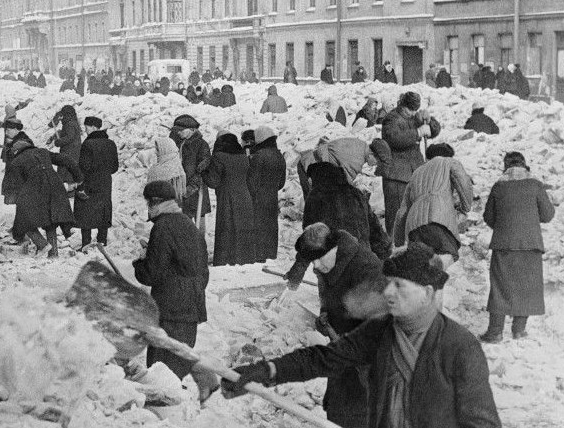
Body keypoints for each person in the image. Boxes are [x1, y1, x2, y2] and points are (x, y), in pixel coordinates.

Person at [210, 242, 501, 428]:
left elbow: (482, 423)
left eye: (399, 285)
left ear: (426, 292)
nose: (387, 292)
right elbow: (323, 359)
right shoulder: (381, 331)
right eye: (388, 283)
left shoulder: (459, 346)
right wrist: (264, 371)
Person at [283, 222, 384, 428]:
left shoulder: (366, 268)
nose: (316, 266)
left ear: (332, 249)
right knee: (338, 413)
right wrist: (325, 317)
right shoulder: (329, 265)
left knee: (360, 415)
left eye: (318, 260)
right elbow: (331, 299)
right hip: (343, 359)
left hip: (365, 363)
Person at [133, 181, 209, 380]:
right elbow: (201, 268)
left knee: (161, 373)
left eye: (148, 204)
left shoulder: (162, 228)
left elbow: (151, 274)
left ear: (155, 203)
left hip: (169, 310)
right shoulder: (188, 225)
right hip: (191, 307)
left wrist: (141, 261)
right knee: (178, 367)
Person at [481, 152, 554, 343]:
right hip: (531, 245)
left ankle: (495, 332)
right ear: (525, 165)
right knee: (527, 287)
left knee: (500, 287)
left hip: (504, 244)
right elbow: (547, 215)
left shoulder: (499, 186)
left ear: (505, 166)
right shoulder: (536, 185)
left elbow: (488, 217)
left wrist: (505, 227)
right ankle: (519, 330)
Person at [301, 138, 392, 261]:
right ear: (371, 154)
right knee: (318, 212)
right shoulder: (356, 160)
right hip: (311, 169)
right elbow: (344, 187)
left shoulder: (360, 146)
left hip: (315, 166)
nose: (375, 164)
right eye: (376, 161)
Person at [392, 143, 473, 270]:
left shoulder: (416, 173)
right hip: (438, 219)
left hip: (414, 225)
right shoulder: (448, 162)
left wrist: (398, 243)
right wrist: (465, 206)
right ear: (449, 156)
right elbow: (462, 180)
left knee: (421, 264)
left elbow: (402, 212)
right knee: (447, 255)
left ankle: (424, 285)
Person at [9, 125, 82, 258]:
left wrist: (19, 199)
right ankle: (53, 254)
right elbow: (66, 160)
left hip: (35, 188)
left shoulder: (16, 161)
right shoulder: (43, 152)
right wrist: (78, 178)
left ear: (16, 151)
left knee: (23, 219)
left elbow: (18, 185)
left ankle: (41, 244)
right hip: (56, 185)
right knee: (51, 219)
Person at [380, 91, 441, 234]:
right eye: (410, 110)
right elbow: (394, 138)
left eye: (415, 110)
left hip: (414, 174)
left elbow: (435, 130)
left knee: (414, 214)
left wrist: (429, 121)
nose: (413, 113)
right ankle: (395, 248)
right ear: (402, 106)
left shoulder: (413, 118)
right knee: (397, 216)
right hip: (396, 177)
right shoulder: (391, 119)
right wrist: (417, 133)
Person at [202, 132, 256, 266]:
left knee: (227, 230)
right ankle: (244, 260)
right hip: (245, 197)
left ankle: (225, 261)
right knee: (242, 230)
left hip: (227, 198)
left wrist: (203, 172)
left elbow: (213, 181)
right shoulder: (243, 156)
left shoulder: (219, 157)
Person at [74, 116, 119, 248]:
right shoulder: (111, 144)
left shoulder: (88, 144)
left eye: (86, 126)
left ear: (93, 127)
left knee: (85, 212)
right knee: (103, 212)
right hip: (105, 183)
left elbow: (84, 167)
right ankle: (102, 241)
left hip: (89, 183)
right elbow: (114, 168)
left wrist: (80, 185)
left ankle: (86, 243)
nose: (85, 129)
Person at [248, 126, 287, 263]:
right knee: (271, 225)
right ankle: (271, 253)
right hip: (272, 196)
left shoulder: (259, 156)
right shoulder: (279, 155)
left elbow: (252, 181)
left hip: (258, 198)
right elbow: (282, 182)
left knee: (259, 225)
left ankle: (259, 255)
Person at [169, 115, 211, 228]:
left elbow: (203, 169)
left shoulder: (202, 145)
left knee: (199, 223)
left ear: (192, 130)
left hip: (196, 191)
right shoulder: (180, 144)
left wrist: (192, 187)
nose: (179, 133)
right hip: (181, 190)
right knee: (183, 223)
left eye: (181, 130)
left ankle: (200, 244)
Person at [47, 106, 82, 239]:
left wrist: (58, 141)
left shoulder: (70, 124)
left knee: (64, 174)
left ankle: (67, 191)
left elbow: (69, 138)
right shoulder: (70, 122)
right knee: (65, 174)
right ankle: (68, 190)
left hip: (69, 154)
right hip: (70, 153)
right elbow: (62, 131)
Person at [147, 136, 187, 205]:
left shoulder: (157, 170)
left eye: (158, 150)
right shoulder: (178, 168)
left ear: (166, 150)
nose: (155, 153)